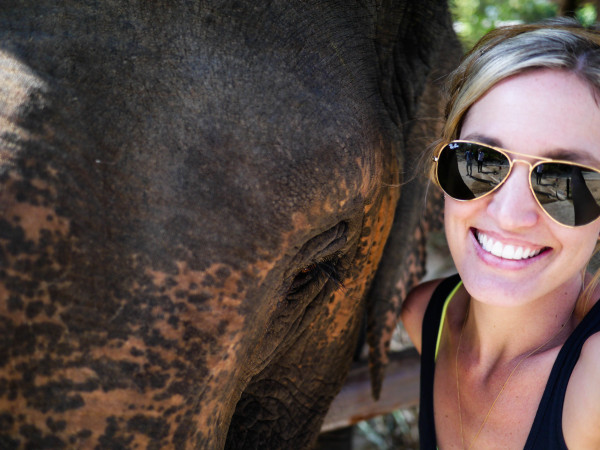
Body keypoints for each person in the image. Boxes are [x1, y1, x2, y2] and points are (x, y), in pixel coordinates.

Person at [401, 18, 600, 450]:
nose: (510, 215)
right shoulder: (424, 317)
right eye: (479, 161)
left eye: (567, 180)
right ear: (441, 167)